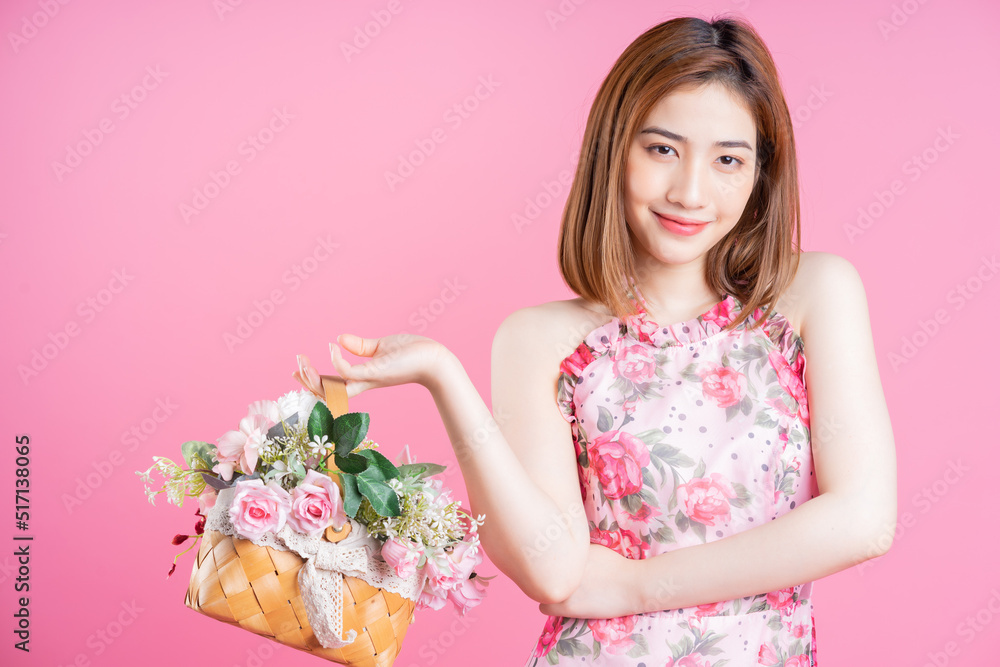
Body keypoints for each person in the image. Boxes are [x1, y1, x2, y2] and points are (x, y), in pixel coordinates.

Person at [327, 14, 896, 667]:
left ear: (762, 174)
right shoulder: (541, 338)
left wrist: (634, 584)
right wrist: (442, 376)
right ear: (613, 149)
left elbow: (863, 517)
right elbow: (553, 570)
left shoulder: (811, 297)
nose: (689, 191)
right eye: (661, 149)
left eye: (728, 160)